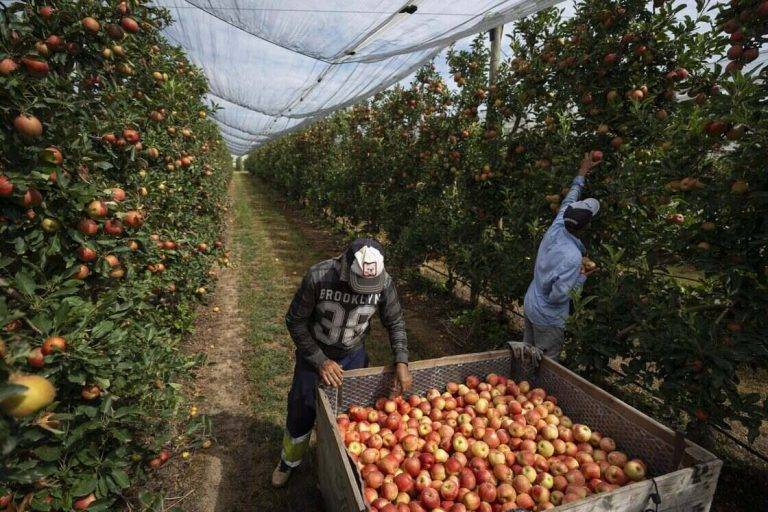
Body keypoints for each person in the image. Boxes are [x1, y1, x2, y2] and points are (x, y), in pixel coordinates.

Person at [271, 237, 413, 487]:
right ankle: (289, 461)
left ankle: (341, 470)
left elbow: (395, 321)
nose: (364, 291)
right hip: (316, 351)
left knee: (350, 414)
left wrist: (401, 360)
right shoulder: (319, 277)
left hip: (352, 354)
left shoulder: (384, 283)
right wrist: (320, 360)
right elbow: (295, 321)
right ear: (345, 266)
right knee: (302, 408)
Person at [519, 153, 601, 362]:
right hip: (547, 318)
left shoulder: (557, 226)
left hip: (531, 303)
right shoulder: (572, 257)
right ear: (586, 227)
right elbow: (558, 297)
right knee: (544, 365)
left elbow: (569, 199)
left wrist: (582, 172)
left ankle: (520, 379)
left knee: (526, 357)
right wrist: (581, 278)